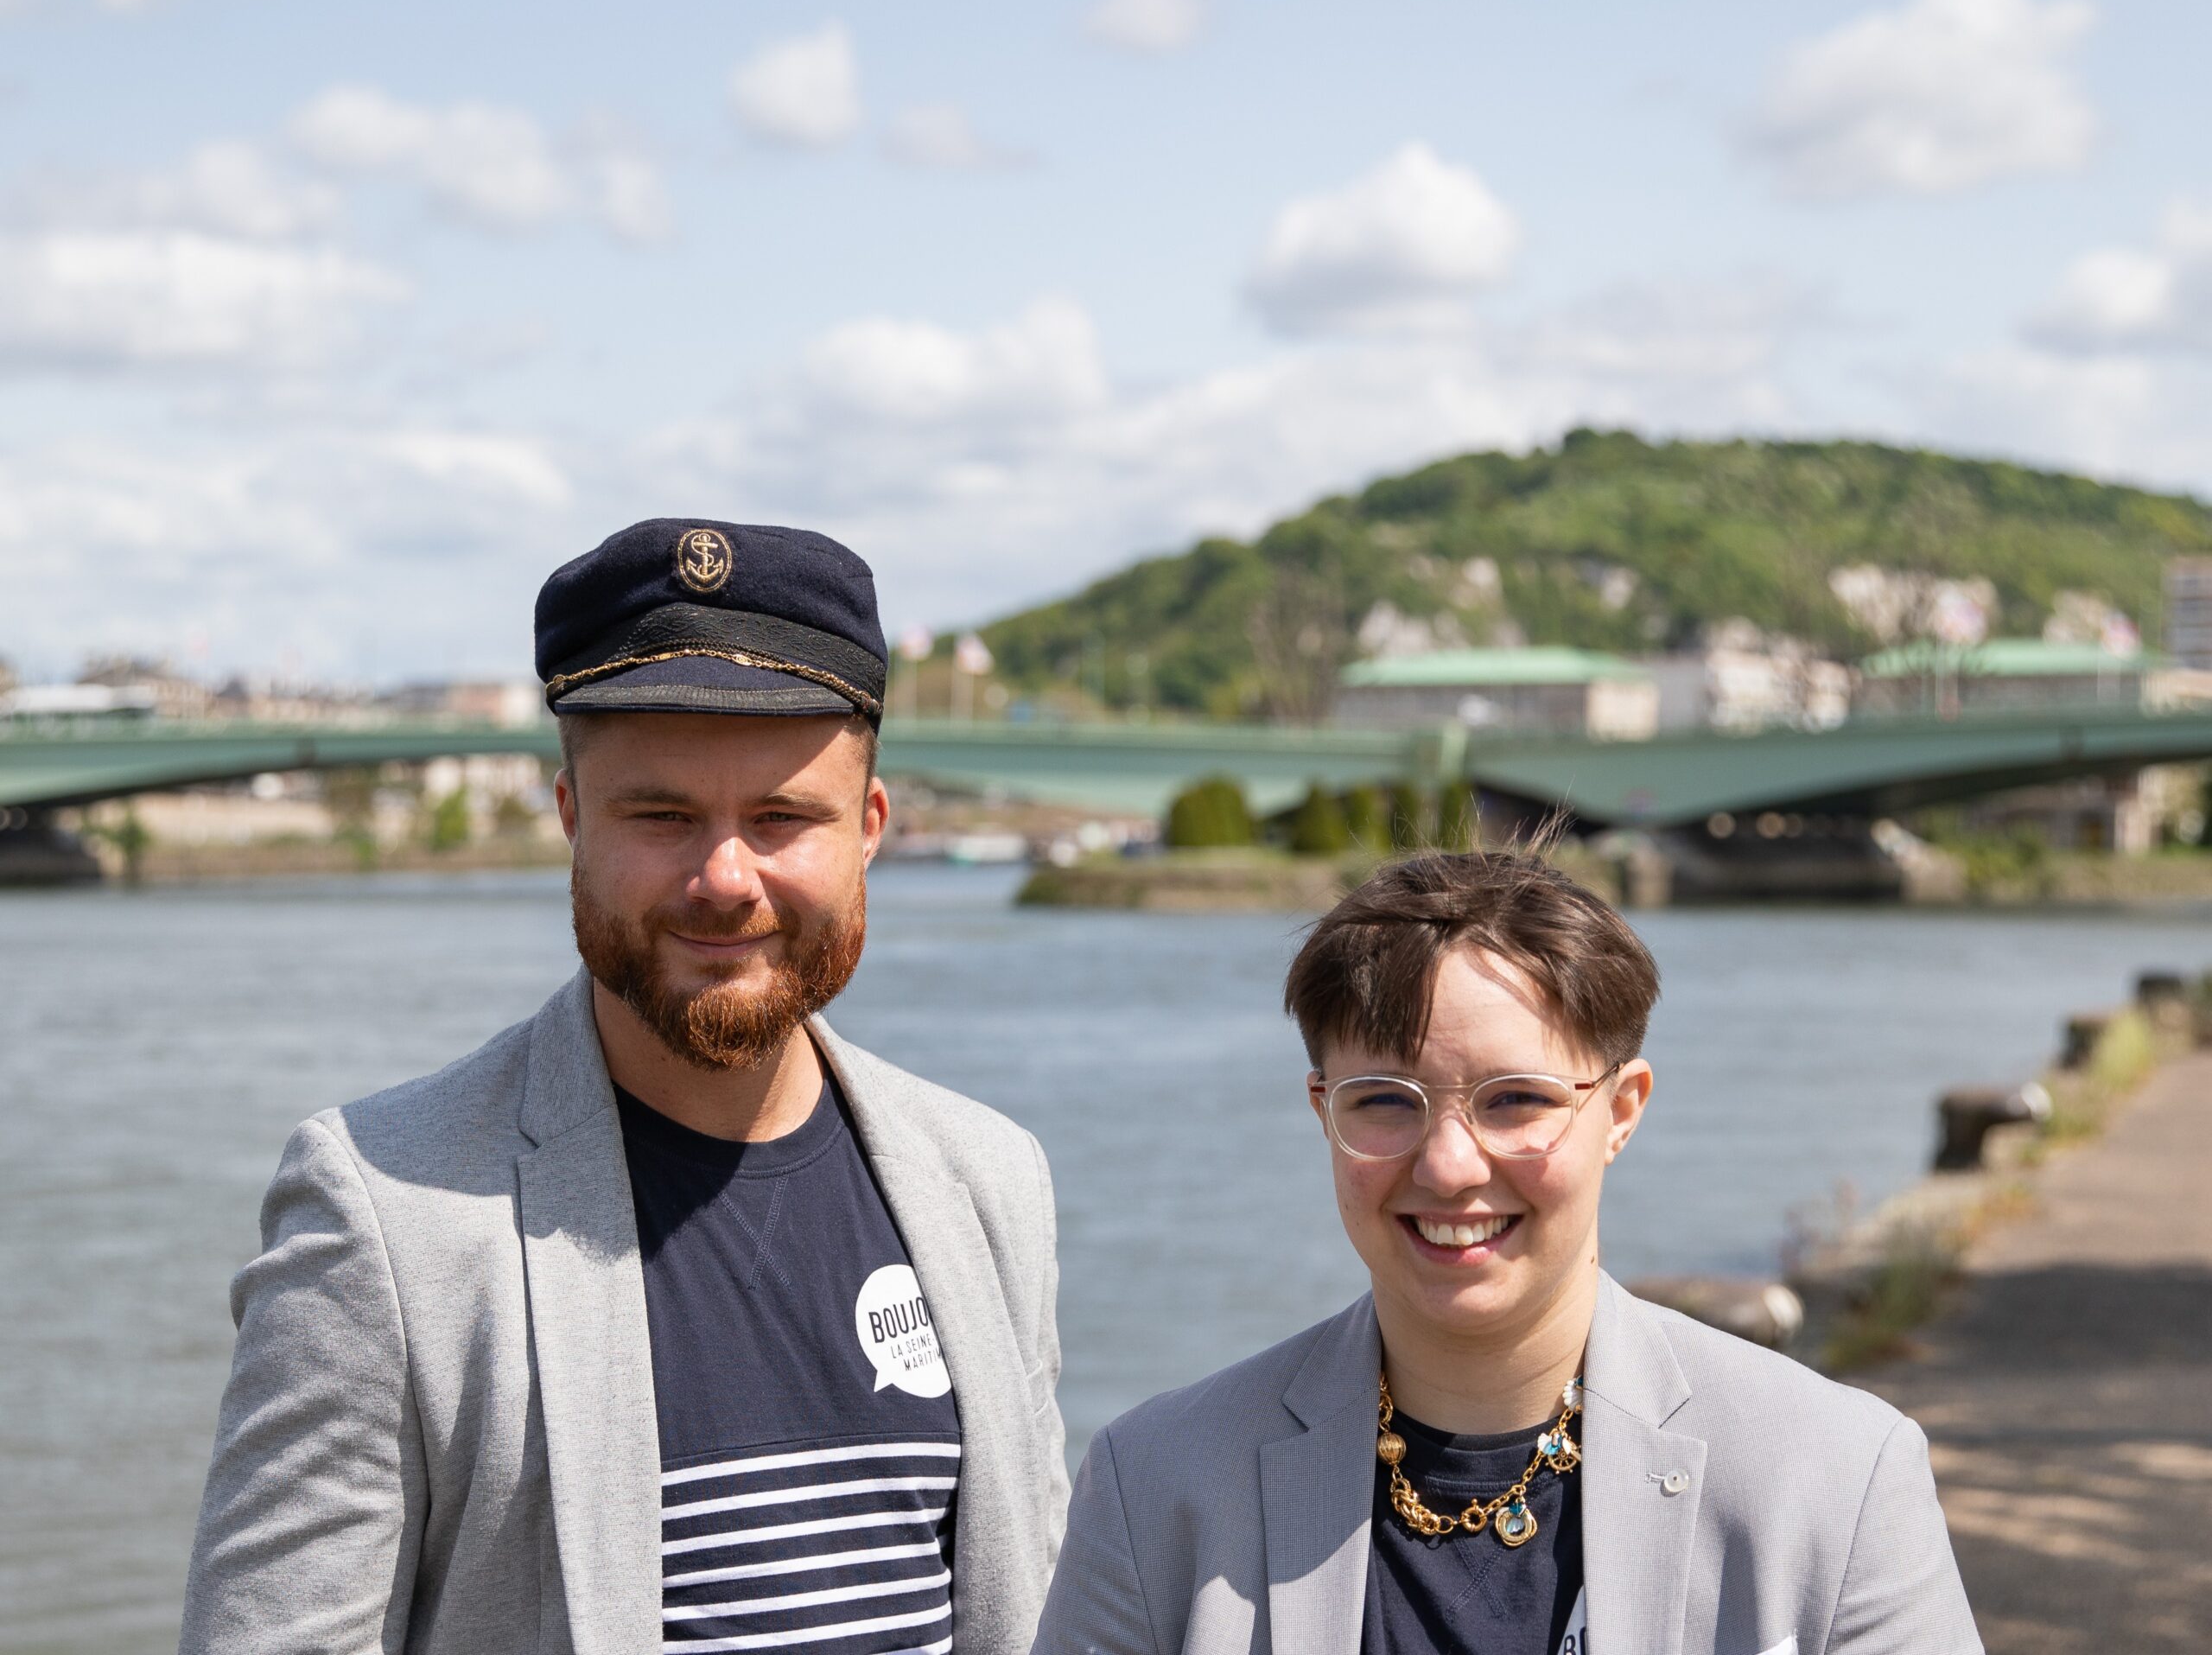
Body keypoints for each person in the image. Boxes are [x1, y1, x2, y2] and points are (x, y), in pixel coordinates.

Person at [181, 519, 1067, 1655]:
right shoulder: (384, 1219)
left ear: (871, 830)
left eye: (782, 817)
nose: (724, 878)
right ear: (572, 823)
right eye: (662, 817)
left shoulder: (990, 1179)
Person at [1034, 849, 1980, 1655]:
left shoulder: (1833, 1477)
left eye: (1515, 1099)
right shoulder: (1158, 1484)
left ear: (1620, 1109)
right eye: (1385, 1101)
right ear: (1321, 1110)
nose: (1447, 1167)